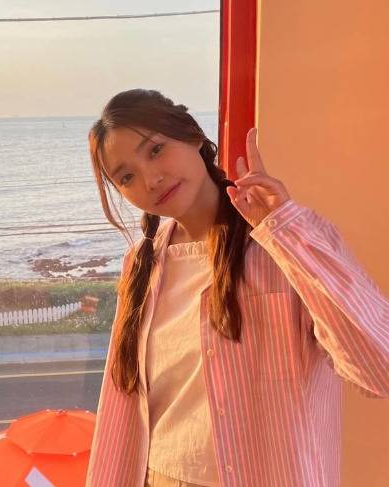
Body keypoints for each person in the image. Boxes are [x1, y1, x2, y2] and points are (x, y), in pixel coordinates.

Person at [84, 89, 389, 487]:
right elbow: (122, 401)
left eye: (156, 150)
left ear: (192, 135)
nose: (151, 179)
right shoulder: (141, 265)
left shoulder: (286, 240)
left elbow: (379, 370)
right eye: (127, 177)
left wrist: (284, 231)